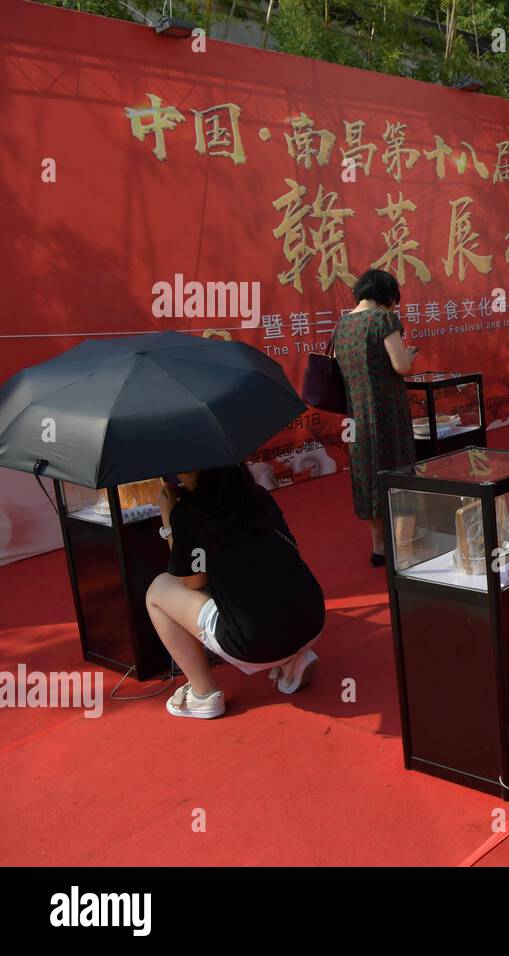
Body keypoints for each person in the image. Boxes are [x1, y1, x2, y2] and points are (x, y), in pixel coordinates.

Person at [145, 466, 327, 718]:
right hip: (312, 618)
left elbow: (192, 582)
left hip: (252, 643)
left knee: (158, 591)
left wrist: (169, 521)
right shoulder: (258, 495)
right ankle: (291, 659)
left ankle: (203, 693)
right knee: (257, 588)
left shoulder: (186, 513)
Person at [334, 269, 419, 566]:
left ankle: (379, 547)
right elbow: (401, 366)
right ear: (385, 295)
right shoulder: (383, 320)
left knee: (367, 477)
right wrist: (410, 355)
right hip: (386, 415)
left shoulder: (342, 324)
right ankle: (404, 550)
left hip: (355, 417)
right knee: (399, 476)